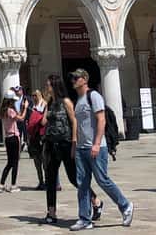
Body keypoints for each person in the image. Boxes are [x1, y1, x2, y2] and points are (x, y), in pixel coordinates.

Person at [69, 69, 133, 231]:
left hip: (96, 147)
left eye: (76, 78)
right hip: (82, 148)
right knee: (82, 184)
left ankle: (125, 205)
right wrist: (75, 145)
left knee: (102, 180)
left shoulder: (94, 96)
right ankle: (84, 218)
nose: (73, 80)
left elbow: (101, 120)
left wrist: (97, 143)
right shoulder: (78, 100)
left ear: (85, 79)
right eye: (72, 78)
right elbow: (79, 125)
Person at [42, 74, 100, 226]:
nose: (46, 87)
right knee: (50, 178)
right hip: (51, 144)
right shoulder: (50, 103)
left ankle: (95, 200)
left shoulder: (66, 102)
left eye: (48, 85)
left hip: (65, 143)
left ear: (55, 86)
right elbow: (43, 121)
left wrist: (74, 142)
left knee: (74, 177)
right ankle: (51, 211)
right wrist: (46, 105)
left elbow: (74, 121)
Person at [0, 93, 20, 192]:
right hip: (14, 137)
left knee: (10, 162)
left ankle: (1, 184)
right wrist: (25, 108)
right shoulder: (11, 111)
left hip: (7, 138)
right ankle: (13, 185)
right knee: (15, 163)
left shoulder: (3, 111)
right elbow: (20, 118)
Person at [27, 89, 47, 189]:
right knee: (36, 161)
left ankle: (48, 181)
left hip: (42, 135)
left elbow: (44, 122)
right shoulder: (32, 106)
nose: (34, 97)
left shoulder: (45, 105)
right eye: (32, 95)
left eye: (36, 95)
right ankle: (41, 182)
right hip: (33, 136)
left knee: (44, 161)